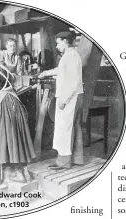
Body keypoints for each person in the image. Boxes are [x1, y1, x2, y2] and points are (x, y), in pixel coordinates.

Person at [0, 55, 36, 183]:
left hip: (3, 103)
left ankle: (15, 171)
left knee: (5, 135)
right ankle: (22, 169)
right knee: (16, 134)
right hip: (15, 101)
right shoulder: (5, 70)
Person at [39, 31, 84, 170]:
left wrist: (63, 100)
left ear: (65, 41)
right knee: (72, 127)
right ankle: (77, 158)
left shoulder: (70, 56)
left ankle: (63, 162)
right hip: (74, 96)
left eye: (58, 42)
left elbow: (72, 81)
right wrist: (46, 73)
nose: (57, 46)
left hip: (69, 97)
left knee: (64, 129)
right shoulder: (70, 55)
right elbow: (62, 70)